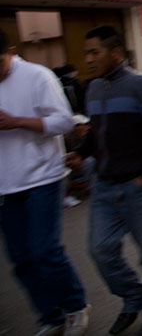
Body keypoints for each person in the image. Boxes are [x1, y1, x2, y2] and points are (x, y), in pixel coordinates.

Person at [66, 26, 142, 336]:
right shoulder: (94, 89)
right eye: (86, 53)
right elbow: (97, 135)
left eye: (94, 52)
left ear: (115, 53)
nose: (88, 59)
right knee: (101, 250)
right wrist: (79, 153)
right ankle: (134, 297)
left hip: (139, 187)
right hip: (105, 187)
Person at [0, 29, 91, 336]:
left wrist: (17, 122)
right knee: (21, 259)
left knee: (44, 251)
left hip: (42, 176)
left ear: (11, 51)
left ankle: (75, 306)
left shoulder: (38, 77)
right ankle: (50, 316)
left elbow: (65, 121)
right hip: (5, 183)